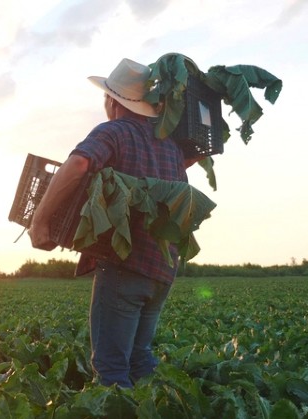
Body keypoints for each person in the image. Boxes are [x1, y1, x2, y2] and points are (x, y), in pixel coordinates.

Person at [29, 57, 203, 388]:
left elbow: (79, 164)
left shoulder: (115, 131)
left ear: (112, 100)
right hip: (163, 269)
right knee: (139, 359)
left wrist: (40, 221)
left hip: (127, 264)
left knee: (111, 367)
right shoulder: (168, 146)